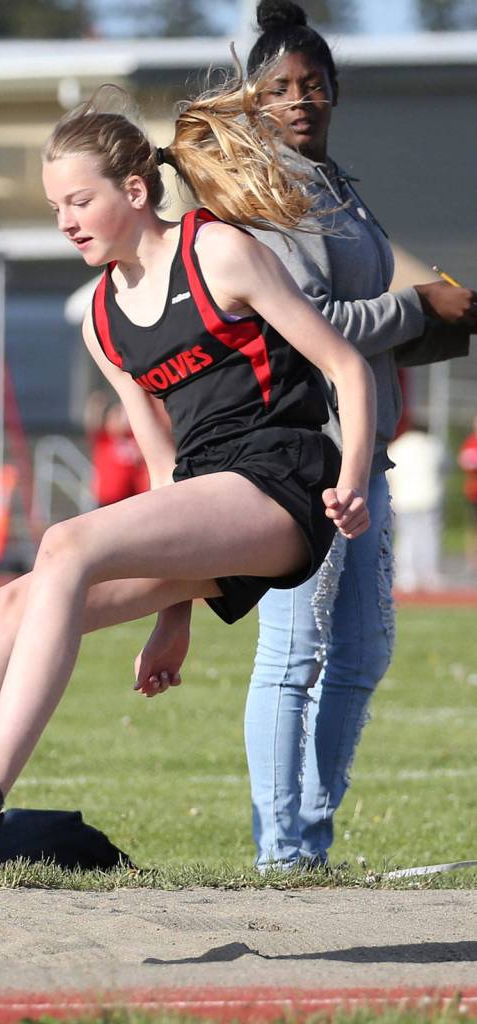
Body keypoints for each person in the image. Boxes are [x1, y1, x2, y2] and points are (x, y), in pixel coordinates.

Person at [0, 73, 377, 905]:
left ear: (134, 191)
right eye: (54, 205)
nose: (63, 220)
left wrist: (350, 483)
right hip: (214, 504)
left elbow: (344, 364)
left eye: (76, 201)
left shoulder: (217, 251)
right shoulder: (102, 318)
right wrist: (175, 615)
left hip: (284, 484)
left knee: (66, 543)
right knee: (11, 604)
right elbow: (167, 479)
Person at [242, 0, 476, 869]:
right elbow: (309, 318)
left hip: (363, 447)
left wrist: (446, 322)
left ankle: (307, 839)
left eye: (312, 85)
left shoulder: (337, 186)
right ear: (253, 103)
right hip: (305, 450)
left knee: (364, 652)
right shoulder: (267, 197)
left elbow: (362, 326)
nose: (299, 99)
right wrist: (418, 304)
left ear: (333, 93)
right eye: (279, 89)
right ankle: (282, 854)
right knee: (292, 652)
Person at [387, 424, 448, 592]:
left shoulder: (398, 446)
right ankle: (429, 574)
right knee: (429, 537)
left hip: (404, 500)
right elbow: (445, 466)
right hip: (429, 498)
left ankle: (407, 575)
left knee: (407, 537)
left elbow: (389, 474)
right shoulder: (434, 445)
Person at [84, 390, 149, 507]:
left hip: (131, 497)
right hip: (107, 499)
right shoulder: (103, 439)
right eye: (114, 417)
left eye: (120, 416)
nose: (118, 421)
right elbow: (91, 422)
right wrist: (96, 404)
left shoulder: (135, 439)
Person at [457, 414, 477, 572]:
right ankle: (473, 562)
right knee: (473, 529)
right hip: (474, 494)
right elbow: (466, 462)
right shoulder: (471, 443)